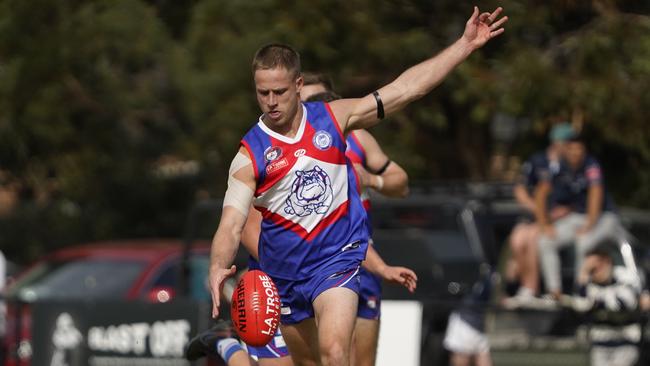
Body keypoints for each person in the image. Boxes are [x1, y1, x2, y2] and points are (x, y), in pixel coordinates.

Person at [208, 7, 507, 366]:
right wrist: (217, 265)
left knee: (337, 354)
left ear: (299, 85)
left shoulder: (334, 118)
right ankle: (227, 346)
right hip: (284, 273)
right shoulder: (249, 155)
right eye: (263, 93)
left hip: (337, 260)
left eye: (280, 92)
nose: (271, 102)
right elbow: (231, 224)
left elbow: (405, 90)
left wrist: (464, 46)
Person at [535, 134, 625, 299]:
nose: (575, 153)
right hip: (577, 217)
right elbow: (541, 193)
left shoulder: (591, 165)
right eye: (571, 149)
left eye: (579, 149)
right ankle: (554, 293)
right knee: (544, 241)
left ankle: (580, 292)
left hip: (602, 217)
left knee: (583, 242)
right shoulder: (558, 166)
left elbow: (595, 193)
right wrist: (544, 224)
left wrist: (590, 225)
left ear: (584, 150)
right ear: (565, 150)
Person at [503, 123, 574, 303]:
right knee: (518, 240)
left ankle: (530, 288)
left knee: (534, 238)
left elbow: (575, 200)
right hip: (535, 214)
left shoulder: (570, 165)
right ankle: (524, 286)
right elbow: (521, 189)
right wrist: (536, 208)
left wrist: (555, 213)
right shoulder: (538, 161)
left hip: (554, 219)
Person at [571, 241, 641, 366]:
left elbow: (623, 304)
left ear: (607, 261)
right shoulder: (588, 283)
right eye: (590, 269)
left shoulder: (624, 276)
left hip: (625, 344)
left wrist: (596, 301)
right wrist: (583, 277)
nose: (594, 273)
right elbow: (580, 305)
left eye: (595, 268)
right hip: (599, 346)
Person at [443, 270, 493, 366]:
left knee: (483, 359)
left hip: (480, 324)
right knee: (461, 360)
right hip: (464, 319)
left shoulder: (490, 272)